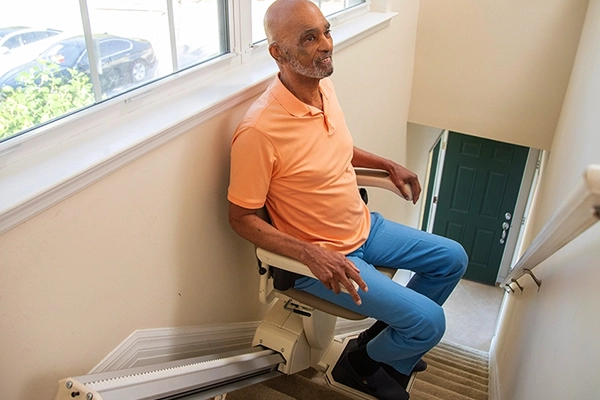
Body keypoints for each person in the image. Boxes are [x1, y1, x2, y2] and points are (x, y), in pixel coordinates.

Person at [227, 1, 468, 399]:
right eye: (309, 38)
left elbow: (339, 147)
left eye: (326, 31)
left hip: (364, 226)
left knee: (453, 258)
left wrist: (386, 164)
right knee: (430, 323)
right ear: (278, 53)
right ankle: (362, 365)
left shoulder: (323, 87)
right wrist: (312, 255)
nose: (326, 45)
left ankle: (386, 345)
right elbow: (241, 218)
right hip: (324, 257)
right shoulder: (259, 131)